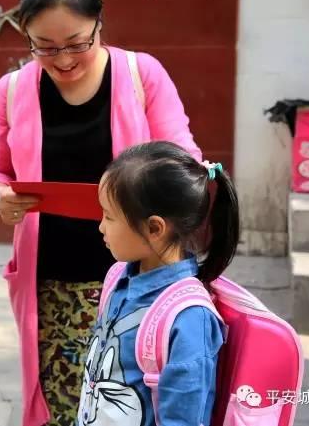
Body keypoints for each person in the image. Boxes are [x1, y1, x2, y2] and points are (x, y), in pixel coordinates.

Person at [0, 0, 202, 426]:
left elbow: (185, 165)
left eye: (78, 43)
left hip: (139, 282)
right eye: (45, 47)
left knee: (137, 407)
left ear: (100, 23)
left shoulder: (142, 75)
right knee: (64, 408)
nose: (62, 60)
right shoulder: (13, 91)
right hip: (53, 287)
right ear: (26, 35)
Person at [77, 141, 239, 426]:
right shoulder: (118, 278)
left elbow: (182, 419)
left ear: (154, 228)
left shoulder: (189, 319)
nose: (101, 226)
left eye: (109, 216)